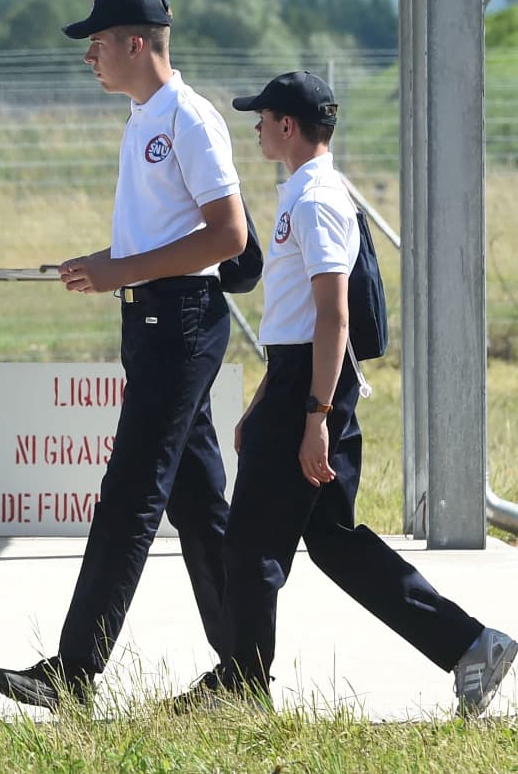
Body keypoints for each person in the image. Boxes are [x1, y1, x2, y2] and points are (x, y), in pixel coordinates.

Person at [165, 71, 515, 714]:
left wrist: (314, 415)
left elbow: (333, 316)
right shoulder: (307, 190)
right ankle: (472, 647)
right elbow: (300, 319)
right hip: (301, 380)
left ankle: (240, 691)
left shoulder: (317, 198)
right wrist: (266, 397)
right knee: (335, 543)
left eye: (262, 116)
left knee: (249, 544)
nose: (256, 125)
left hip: (314, 387)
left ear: (289, 126)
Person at [0, 0, 247, 710]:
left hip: (183, 319)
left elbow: (228, 237)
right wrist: (109, 264)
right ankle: (244, 672)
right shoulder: (143, 118)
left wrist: (118, 270)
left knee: (129, 495)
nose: (90, 58)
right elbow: (167, 232)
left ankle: (73, 672)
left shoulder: (190, 121)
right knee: (197, 504)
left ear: (137, 43)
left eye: (97, 44)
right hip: (155, 320)